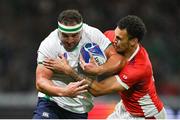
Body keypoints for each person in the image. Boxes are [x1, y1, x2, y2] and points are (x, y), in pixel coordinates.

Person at [43, 15, 167, 119]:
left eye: (119, 38)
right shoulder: (112, 37)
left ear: (133, 41)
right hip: (125, 107)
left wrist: (69, 71)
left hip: (146, 116)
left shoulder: (139, 67)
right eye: (115, 33)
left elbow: (98, 90)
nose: (114, 39)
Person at [33, 9, 125, 119]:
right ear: (59, 32)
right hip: (51, 103)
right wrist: (64, 92)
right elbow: (40, 82)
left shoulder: (92, 35)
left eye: (74, 35)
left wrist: (99, 69)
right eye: (65, 36)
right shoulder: (49, 45)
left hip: (79, 107)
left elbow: (117, 59)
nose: (70, 40)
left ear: (81, 31)